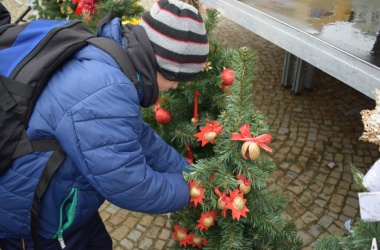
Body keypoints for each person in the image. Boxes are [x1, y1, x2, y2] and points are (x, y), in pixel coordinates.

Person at [0, 0, 209, 249]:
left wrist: (192, 174)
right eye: (178, 80)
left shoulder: (112, 61)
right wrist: (192, 191)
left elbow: (138, 136)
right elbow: (131, 184)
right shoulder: (106, 90)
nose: (175, 87)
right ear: (165, 66)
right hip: (36, 218)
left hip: (67, 195)